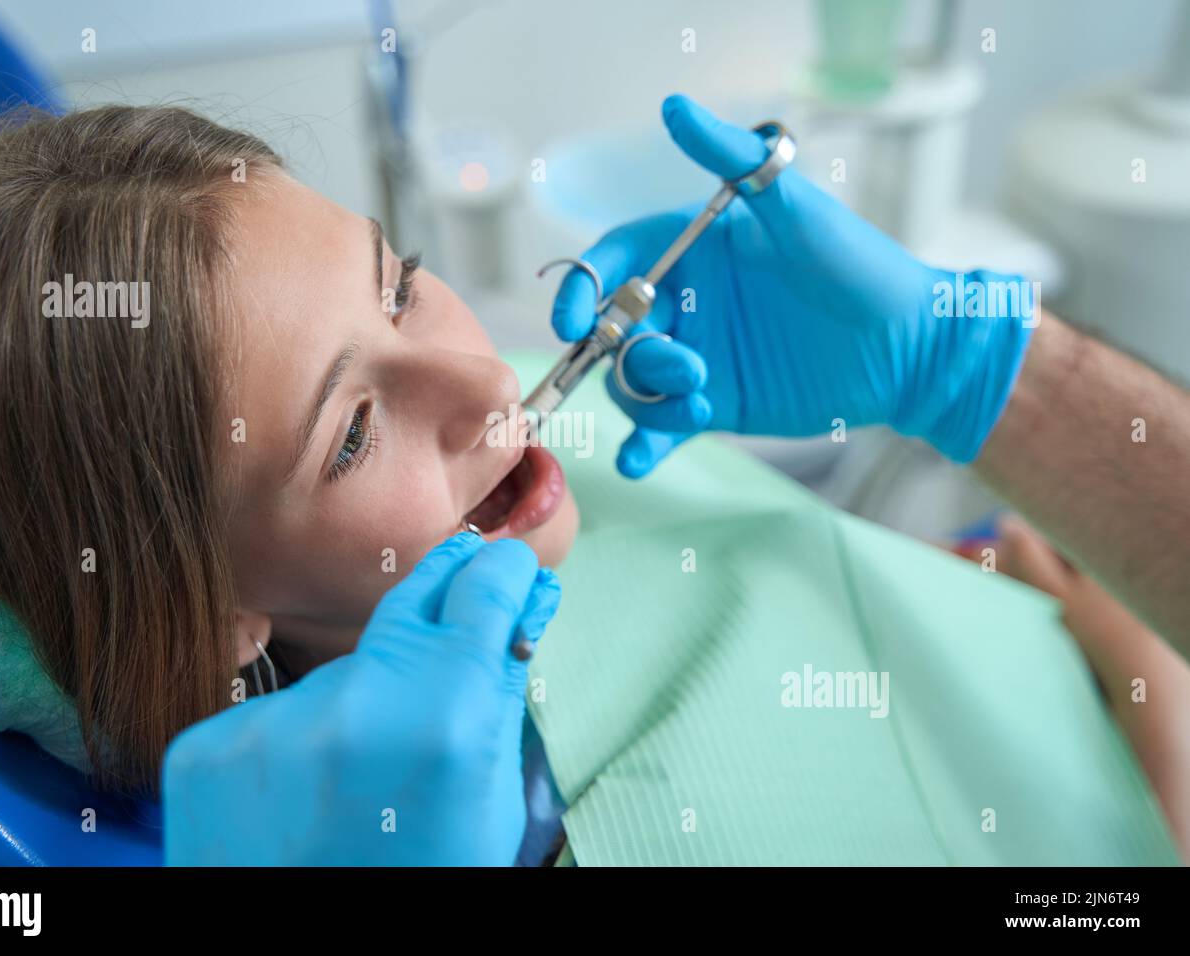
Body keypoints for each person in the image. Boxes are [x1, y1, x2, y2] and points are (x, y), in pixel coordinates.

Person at [164, 94, 1190, 863]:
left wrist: (965, 372)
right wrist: (1161, 734)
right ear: (221, 615)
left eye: (400, 287)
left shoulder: (537, 448)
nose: (486, 383)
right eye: (349, 435)